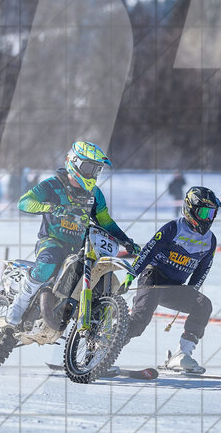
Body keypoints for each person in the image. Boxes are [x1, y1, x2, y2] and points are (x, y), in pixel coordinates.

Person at [8, 141, 138, 329]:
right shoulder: (53, 185)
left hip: (80, 248)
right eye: (89, 167)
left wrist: (126, 241)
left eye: (97, 170)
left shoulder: (95, 194)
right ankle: (18, 306)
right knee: (46, 264)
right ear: (75, 162)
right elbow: (24, 202)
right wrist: (49, 207)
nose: (93, 174)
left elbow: (105, 220)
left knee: (97, 278)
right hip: (52, 241)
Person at [125, 186, 221, 373]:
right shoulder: (173, 228)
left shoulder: (210, 240)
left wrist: (192, 291)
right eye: (204, 212)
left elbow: (203, 268)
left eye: (211, 213)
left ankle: (181, 355)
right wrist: (131, 274)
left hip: (173, 287)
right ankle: (104, 346)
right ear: (190, 209)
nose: (208, 218)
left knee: (203, 305)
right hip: (152, 278)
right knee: (139, 321)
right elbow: (148, 251)